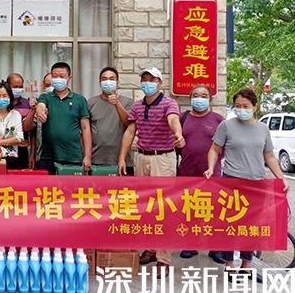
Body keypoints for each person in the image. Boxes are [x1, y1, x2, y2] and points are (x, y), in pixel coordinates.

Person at [205, 88, 288, 281]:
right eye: (238, 106)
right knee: (230, 224)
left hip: (256, 184)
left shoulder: (263, 129)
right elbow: (214, 149)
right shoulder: (226, 126)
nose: (241, 109)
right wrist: (210, 168)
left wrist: (280, 177)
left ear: (255, 106)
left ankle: (246, 264)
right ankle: (229, 264)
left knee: (252, 226)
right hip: (231, 182)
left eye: (246, 106)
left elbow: (269, 156)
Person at [118, 67, 185, 278]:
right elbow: (130, 131)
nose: (147, 83)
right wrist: (122, 157)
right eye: (144, 79)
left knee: (163, 208)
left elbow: (173, 120)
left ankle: (163, 258)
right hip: (142, 157)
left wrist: (178, 134)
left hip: (163, 159)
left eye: (152, 79)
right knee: (146, 207)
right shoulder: (137, 106)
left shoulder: (169, 103)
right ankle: (150, 248)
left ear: (159, 83)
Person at [177, 85, 225, 263]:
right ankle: (190, 244)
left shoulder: (218, 120)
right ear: (190, 98)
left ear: (210, 99)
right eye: (195, 95)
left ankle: (216, 248)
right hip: (187, 171)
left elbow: (225, 145)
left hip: (212, 173)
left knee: (214, 210)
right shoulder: (183, 118)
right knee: (189, 209)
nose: (199, 99)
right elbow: (176, 143)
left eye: (203, 96)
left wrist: (215, 162)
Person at [35, 63, 92, 175]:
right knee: (47, 186)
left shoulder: (80, 100)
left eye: (61, 76)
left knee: (71, 186)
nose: (58, 79)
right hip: (48, 156)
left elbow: (86, 129)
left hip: (73, 156)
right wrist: (40, 110)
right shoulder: (46, 97)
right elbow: (41, 105)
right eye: (55, 76)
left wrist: (87, 156)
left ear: (69, 78)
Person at [87, 67, 134, 174]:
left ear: (117, 82)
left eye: (111, 79)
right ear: (100, 82)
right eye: (104, 79)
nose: (108, 82)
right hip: (96, 160)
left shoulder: (128, 102)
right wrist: (87, 156)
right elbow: (86, 131)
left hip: (122, 161)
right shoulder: (91, 102)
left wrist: (117, 104)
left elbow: (128, 123)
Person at [6, 73, 33, 169]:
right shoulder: (2, 102)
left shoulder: (27, 104)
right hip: (4, 148)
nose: (18, 89)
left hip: (22, 150)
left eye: (20, 87)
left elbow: (32, 132)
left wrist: (32, 154)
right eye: (15, 87)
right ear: (8, 86)